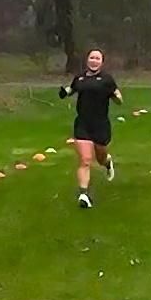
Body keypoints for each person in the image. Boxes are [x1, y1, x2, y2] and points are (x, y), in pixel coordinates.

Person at [58, 49, 121, 209]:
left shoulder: (107, 79)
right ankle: (83, 194)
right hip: (83, 124)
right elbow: (71, 90)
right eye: (92, 58)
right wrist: (64, 93)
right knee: (85, 160)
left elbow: (118, 96)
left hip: (100, 125)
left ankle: (107, 162)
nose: (94, 60)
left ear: (101, 62)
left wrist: (116, 97)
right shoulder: (80, 78)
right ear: (87, 60)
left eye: (97, 58)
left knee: (100, 157)